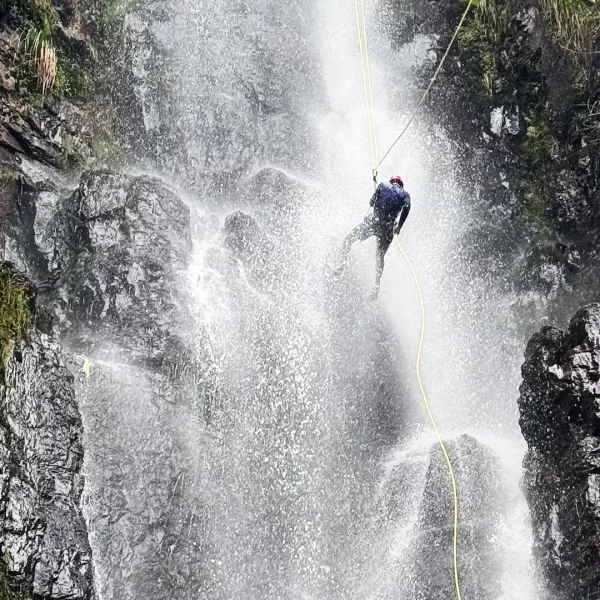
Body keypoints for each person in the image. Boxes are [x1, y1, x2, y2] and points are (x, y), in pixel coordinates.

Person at [337, 175, 411, 298]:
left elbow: (371, 202)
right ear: (400, 184)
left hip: (374, 223)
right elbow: (407, 208)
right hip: (387, 229)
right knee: (380, 255)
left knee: (349, 238)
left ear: (391, 181)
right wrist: (399, 227)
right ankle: (377, 285)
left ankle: (343, 261)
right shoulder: (405, 195)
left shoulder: (382, 185)